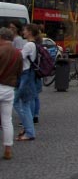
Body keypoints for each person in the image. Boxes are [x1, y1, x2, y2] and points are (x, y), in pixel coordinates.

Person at [13, 23, 40, 141]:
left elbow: (19, 58)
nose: (23, 32)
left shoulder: (29, 45)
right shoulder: (34, 44)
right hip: (29, 75)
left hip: (25, 75)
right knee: (26, 103)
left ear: (29, 32)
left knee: (18, 103)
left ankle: (29, 130)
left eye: (24, 30)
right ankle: (28, 129)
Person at [0, 27, 23, 160]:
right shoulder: (17, 53)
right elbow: (20, 72)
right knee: (7, 120)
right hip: (9, 88)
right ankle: (8, 149)